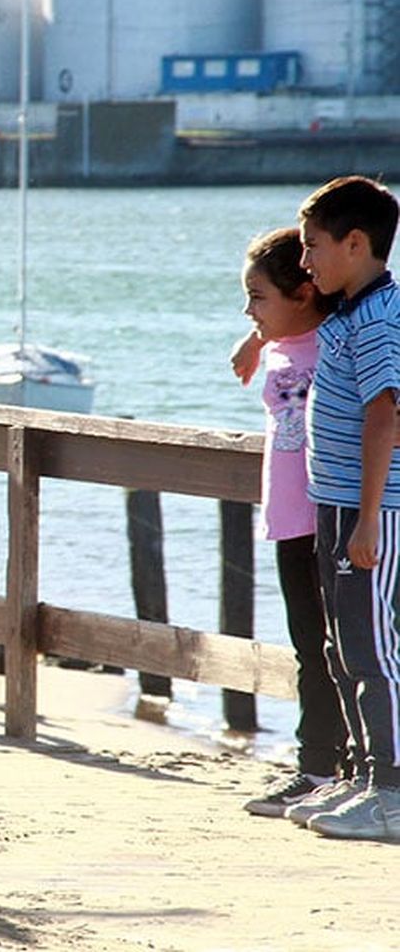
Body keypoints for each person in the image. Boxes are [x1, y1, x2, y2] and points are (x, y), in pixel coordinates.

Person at [292, 175, 400, 840]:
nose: (305, 261)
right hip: (334, 502)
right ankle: (364, 777)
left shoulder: (383, 318)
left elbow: (385, 417)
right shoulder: (349, 312)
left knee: (375, 648)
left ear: (355, 244)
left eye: (313, 246)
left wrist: (366, 518)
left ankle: (391, 790)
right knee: (343, 646)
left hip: (374, 508)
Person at [233, 228, 350, 818]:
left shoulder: (338, 339)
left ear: (304, 291)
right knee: (310, 647)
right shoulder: (279, 344)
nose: (249, 308)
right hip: (288, 521)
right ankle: (317, 769)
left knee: (343, 649)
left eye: (257, 296)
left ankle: (333, 768)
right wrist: (256, 336)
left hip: (333, 516)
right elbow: (278, 329)